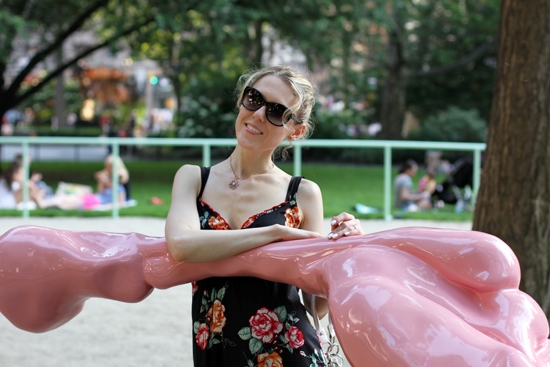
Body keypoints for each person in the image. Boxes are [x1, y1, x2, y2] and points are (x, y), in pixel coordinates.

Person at [164, 65, 365, 367]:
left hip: (288, 352)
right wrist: (275, 234)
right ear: (241, 101)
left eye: (276, 111)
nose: (258, 114)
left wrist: (342, 250)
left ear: (295, 131)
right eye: (254, 98)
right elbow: (180, 245)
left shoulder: (303, 193)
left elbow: (316, 306)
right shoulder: (193, 179)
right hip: (215, 351)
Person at [37, 155, 129, 210]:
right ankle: (45, 203)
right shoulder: (110, 184)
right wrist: (101, 181)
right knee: (68, 199)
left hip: (95, 201)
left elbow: (121, 203)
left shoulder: (120, 188)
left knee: (68, 202)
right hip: (94, 198)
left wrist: (107, 206)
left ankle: (45, 203)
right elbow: (100, 192)